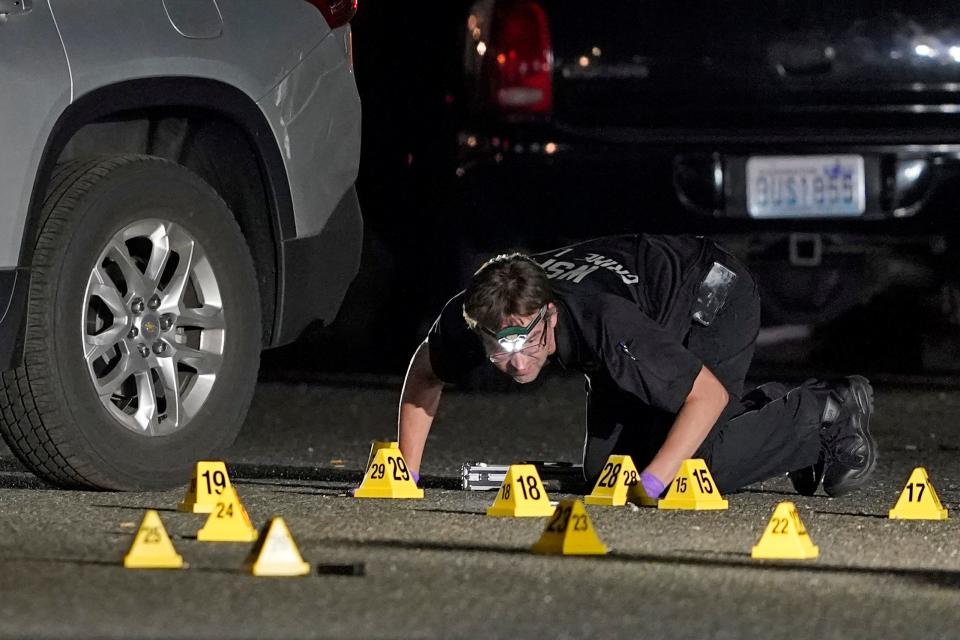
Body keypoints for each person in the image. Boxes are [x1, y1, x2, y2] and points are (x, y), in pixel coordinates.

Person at [397, 234, 878, 499]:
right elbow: (425, 371)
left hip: (710, 295)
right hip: (642, 319)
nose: (517, 361)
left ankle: (823, 413)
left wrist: (653, 484)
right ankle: (770, 418)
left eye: (529, 341)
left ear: (549, 312)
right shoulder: (479, 311)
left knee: (690, 468)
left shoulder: (603, 321)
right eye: (499, 349)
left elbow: (705, 396)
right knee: (607, 472)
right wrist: (406, 475)